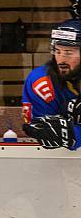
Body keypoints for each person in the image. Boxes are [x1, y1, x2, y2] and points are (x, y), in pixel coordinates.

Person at [22, 19, 81, 151]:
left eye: (68, 52)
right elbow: (45, 131)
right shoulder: (41, 82)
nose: (61, 59)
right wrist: (72, 134)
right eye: (57, 51)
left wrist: (76, 133)